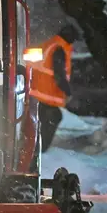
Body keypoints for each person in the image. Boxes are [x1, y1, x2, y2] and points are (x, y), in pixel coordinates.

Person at [28, 25, 80, 154]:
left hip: (37, 92)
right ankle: (40, 151)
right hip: (45, 94)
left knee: (40, 122)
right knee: (53, 118)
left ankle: (36, 148)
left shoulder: (50, 44)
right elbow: (59, 75)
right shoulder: (59, 49)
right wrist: (68, 93)